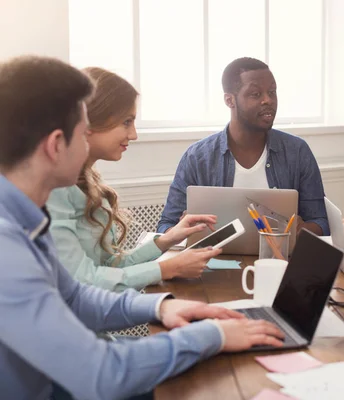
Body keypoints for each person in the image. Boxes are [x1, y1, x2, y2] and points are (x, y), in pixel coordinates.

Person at [0, 55, 284, 400]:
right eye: (82, 130)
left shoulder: (28, 217)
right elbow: (102, 375)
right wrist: (214, 335)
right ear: (56, 144)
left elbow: (74, 296)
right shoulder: (7, 249)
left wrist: (161, 307)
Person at [46, 67, 221, 292]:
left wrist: (167, 239)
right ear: (89, 122)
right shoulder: (55, 189)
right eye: (127, 122)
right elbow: (81, 280)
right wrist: (167, 269)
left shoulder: (87, 181)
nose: (134, 135)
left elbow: (110, 265)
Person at [157, 57, 329, 236]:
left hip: (281, 260)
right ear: (230, 100)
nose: (268, 100)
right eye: (256, 94)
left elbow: (321, 221)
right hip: (214, 261)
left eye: (272, 92)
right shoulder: (197, 157)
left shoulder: (297, 152)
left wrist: (301, 231)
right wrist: (183, 229)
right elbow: (166, 225)